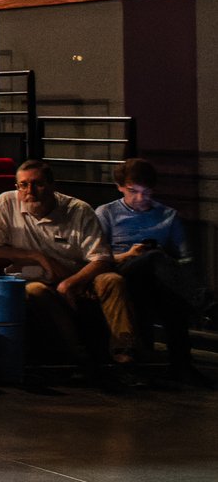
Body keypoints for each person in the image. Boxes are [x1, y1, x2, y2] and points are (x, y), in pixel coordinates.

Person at [0, 160, 142, 387]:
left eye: (37, 184)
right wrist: (39, 257)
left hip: (78, 275)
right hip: (34, 279)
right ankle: (79, 357)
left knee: (112, 280)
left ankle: (125, 358)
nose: (29, 192)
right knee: (36, 290)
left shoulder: (78, 210)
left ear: (51, 185)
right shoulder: (6, 202)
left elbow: (102, 259)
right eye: (23, 185)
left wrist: (70, 283)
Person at [98, 158, 211, 384]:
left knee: (169, 291)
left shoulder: (168, 215)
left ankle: (181, 365)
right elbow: (97, 257)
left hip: (156, 278)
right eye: (133, 192)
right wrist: (129, 254)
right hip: (122, 271)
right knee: (154, 257)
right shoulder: (107, 213)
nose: (140, 198)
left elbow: (185, 258)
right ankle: (207, 306)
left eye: (146, 192)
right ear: (120, 187)